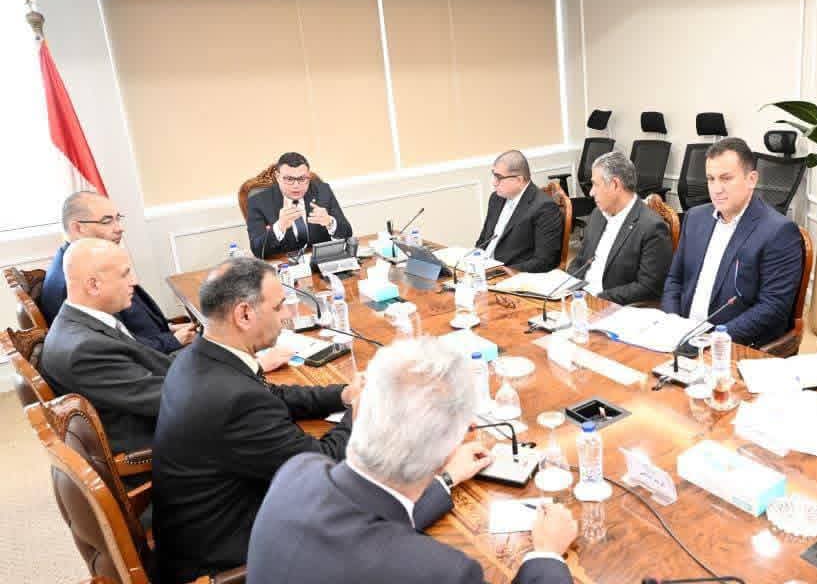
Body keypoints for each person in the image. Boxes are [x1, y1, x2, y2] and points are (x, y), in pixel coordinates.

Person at [247, 337, 577, 584]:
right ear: (454, 442)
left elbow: (361, 524)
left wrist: (446, 479)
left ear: (360, 409)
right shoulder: (441, 572)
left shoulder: (297, 472)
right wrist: (547, 555)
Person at [153, 257, 360, 583]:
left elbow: (271, 395)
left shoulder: (199, 356)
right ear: (244, 314)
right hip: (223, 557)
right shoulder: (233, 400)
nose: (288, 314)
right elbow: (322, 467)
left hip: (200, 526)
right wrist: (359, 413)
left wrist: (343, 394)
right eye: (278, 307)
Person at [661, 138, 803, 347]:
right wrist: (672, 322)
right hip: (680, 336)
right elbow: (674, 279)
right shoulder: (694, 218)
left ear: (751, 179)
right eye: (711, 179)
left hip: (732, 345)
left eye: (726, 178)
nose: (716, 189)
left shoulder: (779, 232)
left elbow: (773, 308)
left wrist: (713, 339)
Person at [39, 238, 173, 455]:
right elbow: (167, 399)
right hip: (152, 437)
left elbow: (145, 364)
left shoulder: (83, 321)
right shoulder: (85, 349)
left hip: (143, 409)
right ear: (93, 285)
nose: (134, 282)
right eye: (125, 274)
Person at [40, 191, 197, 353]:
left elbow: (128, 325)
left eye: (118, 219)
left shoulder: (88, 261)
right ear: (78, 228)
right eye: (107, 221)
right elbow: (115, 345)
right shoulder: (74, 281)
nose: (119, 229)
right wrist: (172, 340)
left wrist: (169, 329)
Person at [567, 151, 672, 304]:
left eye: (595, 184)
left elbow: (648, 287)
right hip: (580, 299)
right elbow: (580, 261)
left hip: (612, 306)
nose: (591, 192)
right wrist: (571, 287)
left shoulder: (652, 227)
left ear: (615, 184)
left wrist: (597, 299)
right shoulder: (597, 214)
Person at [245, 151, 352, 258]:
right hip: (284, 264)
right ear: (278, 177)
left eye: (302, 179)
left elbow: (348, 234)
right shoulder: (258, 202)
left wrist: (330, 222)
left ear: (308, 176)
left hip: (320, 261)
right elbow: (257, 250)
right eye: (289, 179)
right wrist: (279, 227)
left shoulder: (322, 191)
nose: (296, 185)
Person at [474, 150, 563, 273]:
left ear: (519, 180)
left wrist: (502, 271)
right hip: (483, 269)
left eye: (499, 177)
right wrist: (473, 262)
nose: (493, 183)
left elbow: (545, 261)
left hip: (512, 275)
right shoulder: (496, 199)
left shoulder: (544, 207)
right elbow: (483, 241)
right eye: (493, 175)